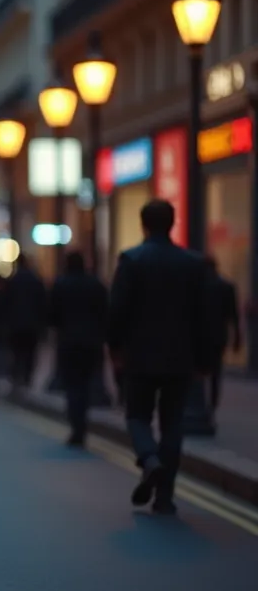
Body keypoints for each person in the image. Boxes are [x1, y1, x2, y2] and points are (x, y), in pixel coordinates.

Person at [108, 200, 209, 515]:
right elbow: (203, 317)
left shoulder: (132, 260)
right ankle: (164, 497)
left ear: (143, 224)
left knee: (137, 416)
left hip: (140, 355)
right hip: (180, 357)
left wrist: (115, 349)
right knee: (172, 423)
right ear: (173, 223)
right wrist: (203, 359)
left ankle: (149, 459)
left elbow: (117, 311)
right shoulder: (193, 264)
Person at [48, 251, 108, 448]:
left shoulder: (61, 284)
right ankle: (81, 424)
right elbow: (105, 312)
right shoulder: (95, 285)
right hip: (91, 342)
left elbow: (52, 315)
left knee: (73, 385)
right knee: (86, 382)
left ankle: (77, 426)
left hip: (68, 342)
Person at [2, 254, 47, 397]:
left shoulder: (13, 281)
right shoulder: (35, 280)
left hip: (15, 324)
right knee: (30, 353)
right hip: (32, 324)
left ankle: (17, 378)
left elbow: (5, 303)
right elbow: (42, 303)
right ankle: (27, 378)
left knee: (17, 353)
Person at [202, 256, 241, 410]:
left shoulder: (199, 286)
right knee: (216, 371)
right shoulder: (226, 286)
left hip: (200, 335)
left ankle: (205, 403)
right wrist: (237, 337)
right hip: (219, 335)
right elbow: (233, 316)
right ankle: (213, 403)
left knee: (199, 370)